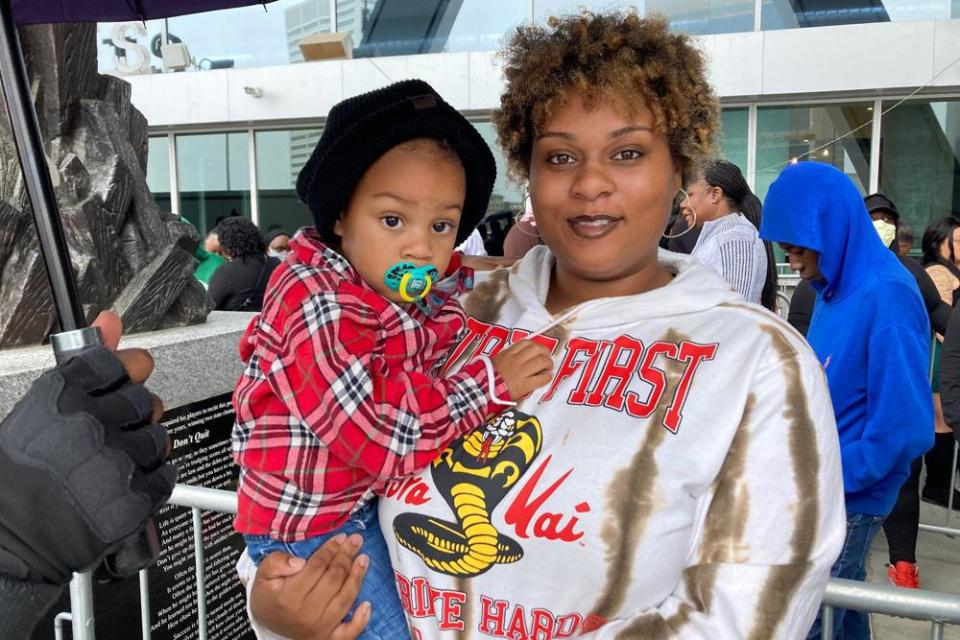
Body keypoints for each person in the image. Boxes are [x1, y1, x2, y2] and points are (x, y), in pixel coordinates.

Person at [250, 12, 846, 639]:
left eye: (627, 152)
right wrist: (277, 615)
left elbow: (743, 616)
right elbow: (308, 489)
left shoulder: (757, 360)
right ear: (528, 175)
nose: (590, 183)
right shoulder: (444, 313)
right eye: (560, 156)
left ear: (679, 172)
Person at [232, 79, 553, 639]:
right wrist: (490, 385)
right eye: (392, 220)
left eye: (441, 225)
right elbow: (379, 437)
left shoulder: (380, 285)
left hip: (347, 513)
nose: (420, 248)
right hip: (311, 536)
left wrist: (485, 274)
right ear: (339, 215)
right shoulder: (317, 303)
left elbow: (434, 304)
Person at [761, 162, 933, 639]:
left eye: (798, 249)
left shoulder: (888, 295)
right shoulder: (833, 287)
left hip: (850, 495)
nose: (793, 263)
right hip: (825, 487)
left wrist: (829, 480)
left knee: (812, 618)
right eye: (786, 250)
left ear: (831, 231)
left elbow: (905, 428)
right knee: (840, 609)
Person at [860, 194, 951, 588]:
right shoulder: (839, 272)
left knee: (903, 477)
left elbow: (944, 318)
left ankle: (903, 564)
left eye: (887, 219)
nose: (882, 225)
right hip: (853, 400)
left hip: (901, 395)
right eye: (873, 218)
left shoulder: (912, 271)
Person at [680, 159, 776, 310]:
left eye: (690, 195)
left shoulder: (735, 238)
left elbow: (733, 315)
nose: (683, 204)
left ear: (715, 194)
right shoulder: (723, 234)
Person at [920, 217, 960, 510]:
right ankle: (938, 486)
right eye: (958, 240)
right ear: (941, 242)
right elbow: (943, 323)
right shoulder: (938, 272)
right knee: (942, 420)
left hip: (945, 356)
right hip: (940, 356)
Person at [208, 217, 281, 312]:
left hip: (239, 325)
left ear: (227, 243)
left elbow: (209, 307)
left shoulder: (226, 271)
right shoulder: (277, 264)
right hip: (270, 324)